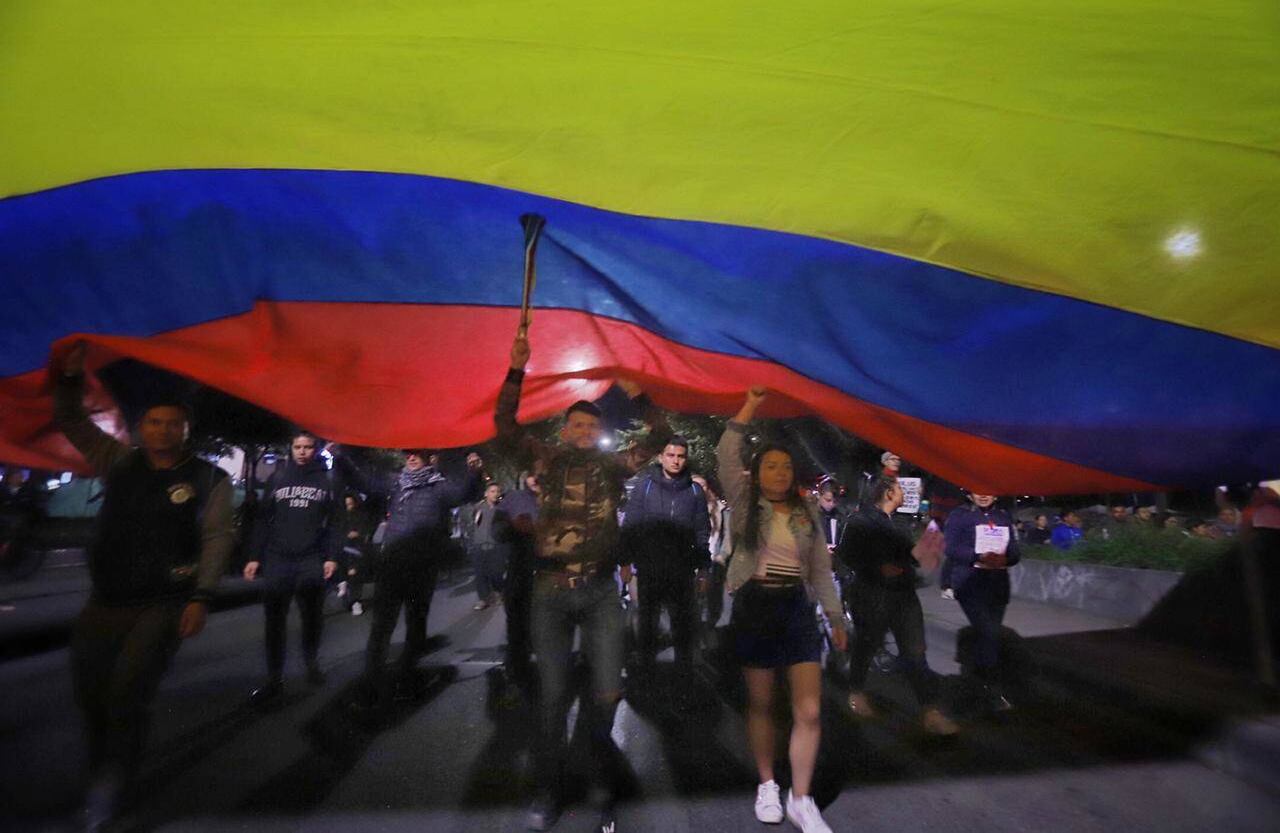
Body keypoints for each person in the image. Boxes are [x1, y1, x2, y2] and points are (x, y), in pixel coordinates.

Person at [52, 343, 233, 830]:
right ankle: (100, 768)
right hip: (106, 599)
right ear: (140, 427)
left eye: (173, 423)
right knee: (89, 692)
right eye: (154, 422)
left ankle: (116, 781)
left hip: (164, 603)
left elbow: (217, 538)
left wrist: (202, 596)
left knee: (128, 689)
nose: (163, 430)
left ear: (186, 428)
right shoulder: (118, 461)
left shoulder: (209, 479)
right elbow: (70, 420)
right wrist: (69, 377)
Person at [496, 327, 669, 833]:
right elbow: (504, 425)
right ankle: (549, 787)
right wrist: (516, 368)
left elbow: (659, 438)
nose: (582, 432)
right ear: (564, 428)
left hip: (598, 592)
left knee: (606, 690)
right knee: (551, 697)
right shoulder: (544, 459)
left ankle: (599, 781)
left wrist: (636, 391)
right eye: (574, 424)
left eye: (590, 426)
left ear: (597, 433)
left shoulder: (613, 467)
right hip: (549, 592)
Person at [718, 387, 845, 833]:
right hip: (755, 604)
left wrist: (835, 615)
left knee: (809, 710)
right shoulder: (744, 498)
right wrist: (751, 404)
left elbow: (822, 571)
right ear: (757, 471)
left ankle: (802, 798)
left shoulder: (807, 510)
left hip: (795, 606)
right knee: (761, 703)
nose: (779, 471)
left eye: (786, 465)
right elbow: (726, 450)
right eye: (771, 464)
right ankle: (768, 784)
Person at [332, 446, 484, 706]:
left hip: (421, 568)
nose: (411, 457)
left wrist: (474, 473)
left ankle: (408, 678)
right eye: (408, 453)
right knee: (381, 627)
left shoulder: (440, 488)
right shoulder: (395, 484)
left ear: (431, 459)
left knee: (415, 627)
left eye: (418, 454)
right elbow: (364, 482)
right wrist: (340, 458)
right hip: (391, 567)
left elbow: (464, 493)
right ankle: (371, 683)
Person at [840, 476, 957, 735]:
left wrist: (928, 550)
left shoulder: (901, 523)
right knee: (866, 645)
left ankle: (930, 711)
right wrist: (877, 569)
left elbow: (911, 557)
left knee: (915, 653)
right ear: (888, 493)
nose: (905, 493)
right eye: (900, 489)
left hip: (904, 597)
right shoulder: (860, 520)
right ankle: (856, 692)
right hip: (872, 595)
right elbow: (846, 555)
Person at [242, 430, 343, 704]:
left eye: (307, 447)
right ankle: (274, 678)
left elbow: (336, 522)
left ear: (316, 449)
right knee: (274, 621)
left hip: (310, 558)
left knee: (312, 617)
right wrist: (254, 556)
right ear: (291, 448)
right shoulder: (278, 477)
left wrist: (332, 556)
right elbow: (263, 519)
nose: (301, 451)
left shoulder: (328, 481)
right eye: (297, 446)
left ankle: (311, 663)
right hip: (278, 558)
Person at [621, 436, 711, 681]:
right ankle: (646, 676)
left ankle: (684, 679)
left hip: (682, 572)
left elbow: (702, 531)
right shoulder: (645, 487)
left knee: (683, 626)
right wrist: (625, 561)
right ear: (661, 457)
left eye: (681, 456)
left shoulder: (694, 492)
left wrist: (703, 569)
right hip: (649, 569)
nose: (676, 461)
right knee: (647, 626)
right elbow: (630, 525)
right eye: (671, 455)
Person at [943, 491, 1022, 713]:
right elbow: (951, 548)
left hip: (997, 587)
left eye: (988, 491)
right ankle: (992, 690)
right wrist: (978, 555)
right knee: (989, 633)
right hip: (970, 586)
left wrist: (1007, 557)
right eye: (978, 490)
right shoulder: (959, 515)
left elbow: (1015, 549)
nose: (983, 495)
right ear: (969, 493)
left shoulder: (1003, 516)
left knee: (989, 636)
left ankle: (974, 680)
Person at [499, 472, 541, 687]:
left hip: (549, 573)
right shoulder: (514, 498)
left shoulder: (562, 497)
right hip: (520, 571)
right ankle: (516, 672)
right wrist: (513, 526)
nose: (537, 478)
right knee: (516, 625)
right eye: (532, 474)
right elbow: (497, 531)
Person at [468, 482, 511, 610]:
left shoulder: (503, 509)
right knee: (480, 574)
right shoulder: (478, 507)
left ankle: (498, 592)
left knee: (496, 573)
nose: (495, 494)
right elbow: (471, 524)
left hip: (497, 545)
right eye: (492, 491)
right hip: (479, 544)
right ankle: (483, 599)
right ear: (486, 493)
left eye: (497, 491)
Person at [342, 494, 372, 616]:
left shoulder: (359, 516)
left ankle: (354, 601)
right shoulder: (339, 517)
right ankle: (352, 599)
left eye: (350, 504)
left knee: (354, 573)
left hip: (356, 549)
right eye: (346, 505)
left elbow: (365, 531)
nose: (348, 507)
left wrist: (358, 534)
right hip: (344, 549)